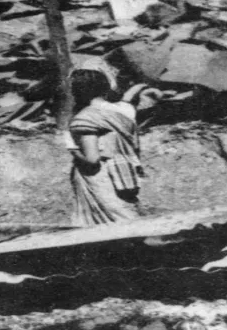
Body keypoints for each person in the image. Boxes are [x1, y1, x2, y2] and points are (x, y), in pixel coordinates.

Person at [64, 69, 161, 226]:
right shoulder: (125, 110)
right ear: (105, 88)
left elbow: (93, 159)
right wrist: (140, 87)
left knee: (117, 221)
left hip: (102, 179)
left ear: (77, 92)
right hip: (126, 172)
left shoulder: (85, 118)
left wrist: (73, 150)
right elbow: (127, 101)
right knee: (130, 212)